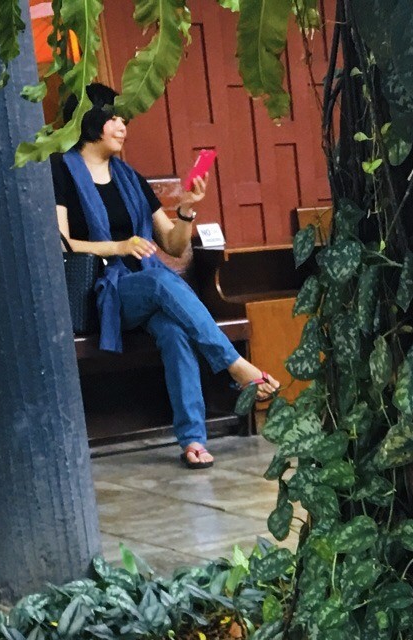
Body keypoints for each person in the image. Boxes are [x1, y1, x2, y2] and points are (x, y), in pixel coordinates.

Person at [53, 84, 278, 468]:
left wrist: (187, 211)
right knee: (160, 283)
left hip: (144, 289)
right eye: (114, 119)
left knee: (174, 330)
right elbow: (61, 244)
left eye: (124, 120)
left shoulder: (130, 178)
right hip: (98, 293)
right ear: (91, 122)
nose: (123, 126)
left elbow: (173, 247)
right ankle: (234, 365)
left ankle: (192, 439)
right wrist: (119, 247)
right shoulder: (61, 170)